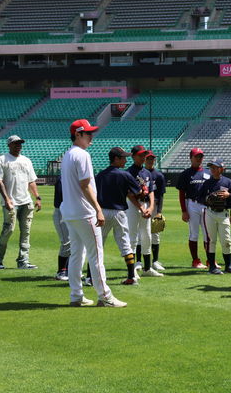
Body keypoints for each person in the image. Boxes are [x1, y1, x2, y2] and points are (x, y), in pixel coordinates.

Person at [60, 119, 126, 307]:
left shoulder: (68, 155)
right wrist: (98, 209)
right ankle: (105, 296)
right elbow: (84, 185)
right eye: (88, 133)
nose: (91, 137)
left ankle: (76, 295)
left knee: (76, 255)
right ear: (78, 134)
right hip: (84, 212)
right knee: (96, 255)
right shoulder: (82, 155)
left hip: (71, 212)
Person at [95, 147, 145, 286]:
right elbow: (138, 192)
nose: (125, 160)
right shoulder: (125, 175)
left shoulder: (100, 175)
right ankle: (131, 277)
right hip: (119, 212)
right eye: (123, 157)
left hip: (102, 212)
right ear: (116, 159)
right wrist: (143, 190)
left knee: (97, 245)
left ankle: (90, 277)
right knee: (125, 244)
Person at [0, 135, 42, 269]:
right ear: (9, 145)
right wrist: (7, 199)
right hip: (11, 202)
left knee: (26, 232)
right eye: (15, 143)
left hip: (26, 201)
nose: (18, 146)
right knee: (8, 230)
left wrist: (37, 197)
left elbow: (31, 181)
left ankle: (23, 261)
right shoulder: (2, 160)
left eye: (20, 144)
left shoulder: (26, 160)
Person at [126, 145, 163, 278]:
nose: (143, 157)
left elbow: (151, 191)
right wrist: (141, 208)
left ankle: (147, 268)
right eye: (140, 155)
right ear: (133, 156)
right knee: (132, 237)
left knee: (147, 235)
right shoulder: (129, 172)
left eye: (144, 155)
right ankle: (132, 269)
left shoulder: (146, 172)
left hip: (146, 204)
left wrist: (151, 207)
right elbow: (129, 194)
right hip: (132, 206)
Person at [198, 158, 231, 274]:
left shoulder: (228, 182)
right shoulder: (207, 183)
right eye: (211, 167)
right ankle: (212, 267)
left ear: (221, 169)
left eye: (215, 167)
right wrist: (207, 199)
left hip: (224, 214)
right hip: (210, 213)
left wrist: (228, 195)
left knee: (226, 240)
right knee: (211, 240)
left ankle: (228, 266)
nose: (213, 169)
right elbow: (200, 198)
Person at [176, 148, 209, 268]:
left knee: (208, 234)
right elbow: (181, 194)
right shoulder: (185, 174)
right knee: (194, 234)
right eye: (196, 156)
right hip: (192, 205)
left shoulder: (208, 172)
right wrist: (184, 211)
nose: (199, 159)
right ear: (191, 158)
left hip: (206, 206)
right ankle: (196, 260)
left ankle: (210, 260)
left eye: (200, 156)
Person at [145, 151, 167, 271]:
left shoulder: (159, 175)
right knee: (140, 234)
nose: (150, 160)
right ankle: (138, 261)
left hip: (155, 206)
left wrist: (159, 211)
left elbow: (161, 194)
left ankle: (155, 261)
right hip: (143, 204)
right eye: (148, 158)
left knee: (155, 235)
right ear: (144, 159)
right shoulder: (141, 173)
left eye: (152, 159)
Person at [53, 175, 70, 280]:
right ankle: (61, 271)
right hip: (61, 212)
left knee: (75, 242)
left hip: (72, 212)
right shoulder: (62, 178)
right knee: (66, 242)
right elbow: (64, 197)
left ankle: (70, 270)